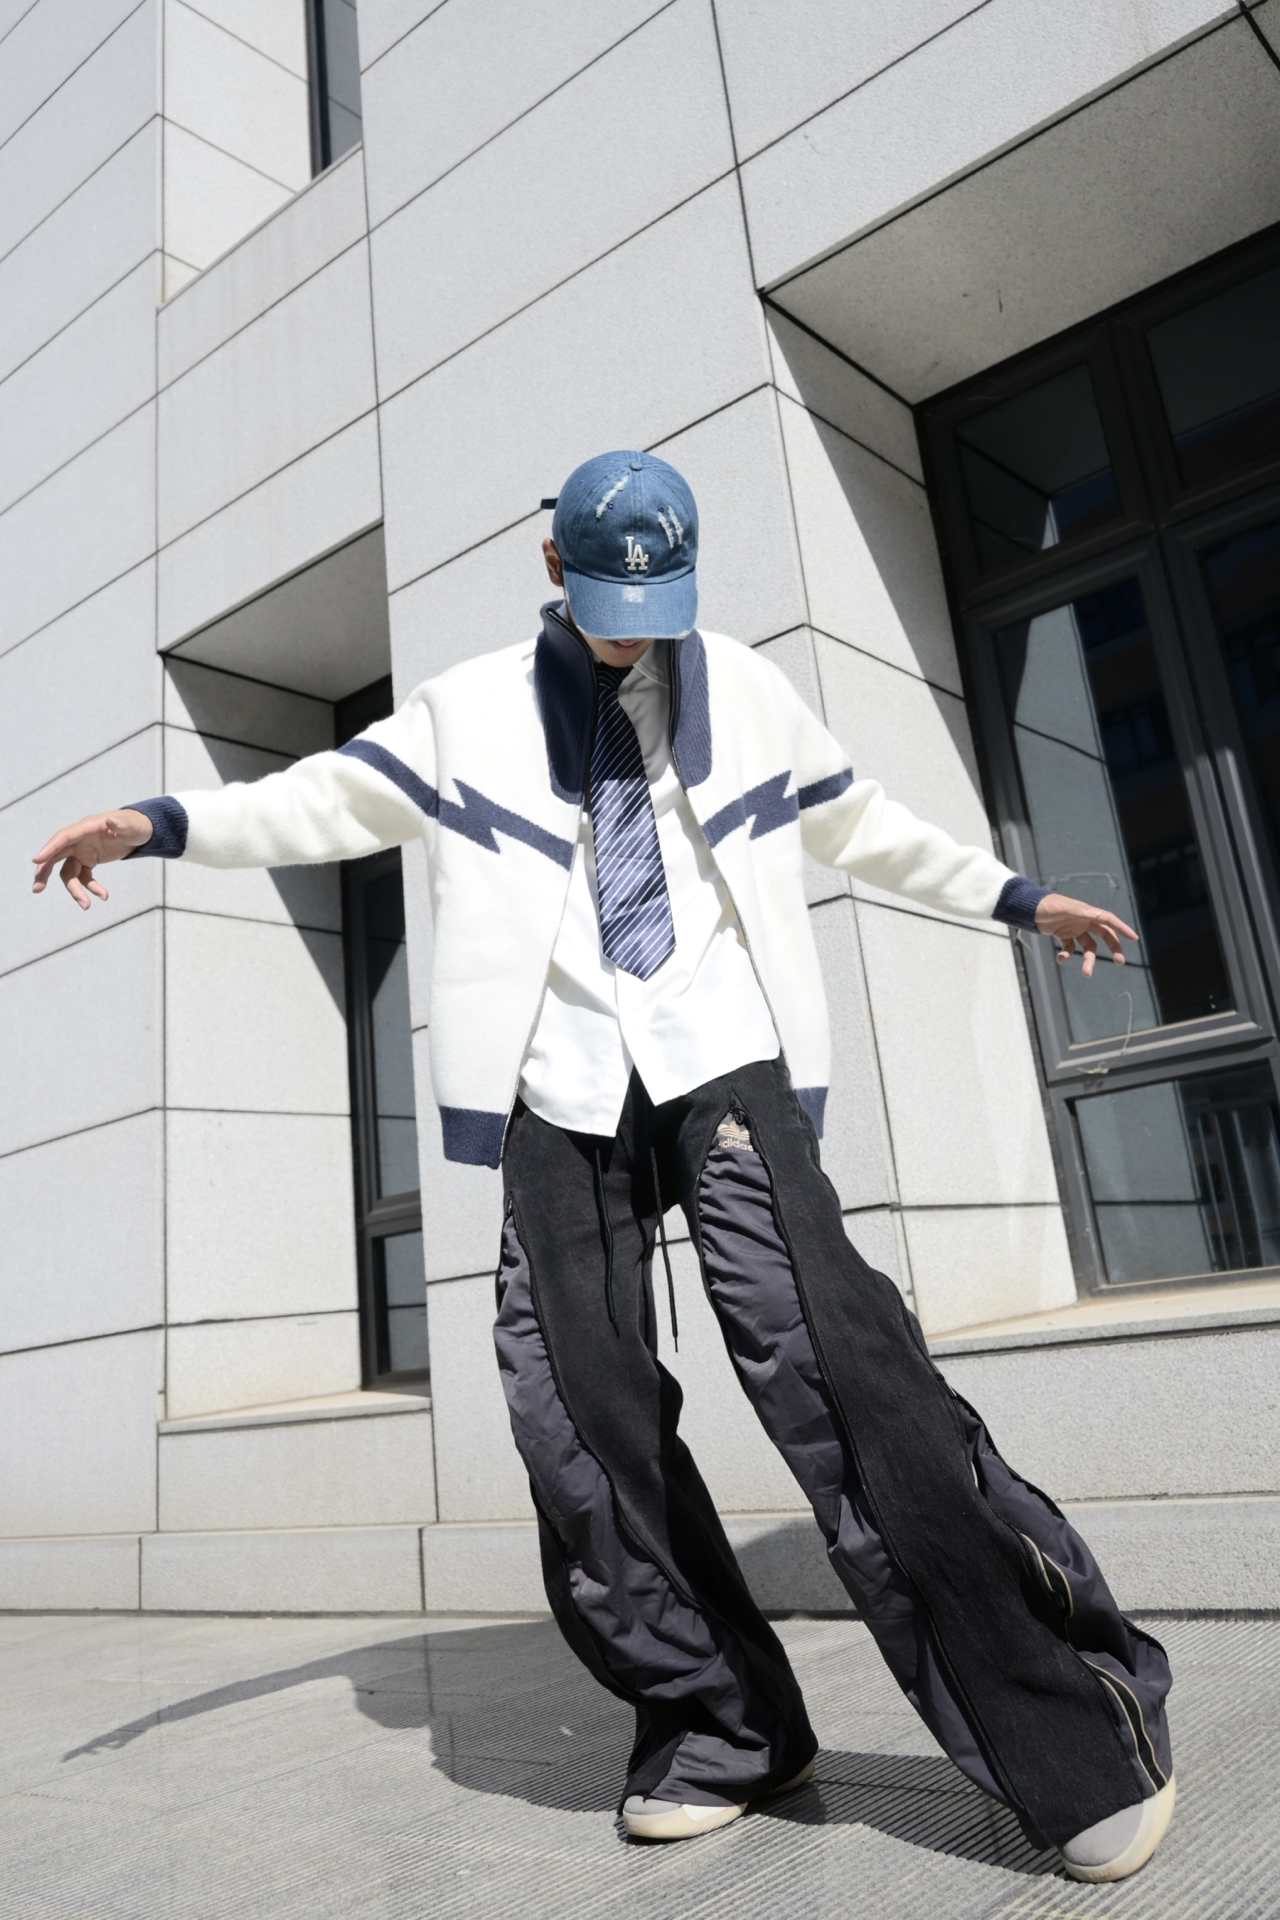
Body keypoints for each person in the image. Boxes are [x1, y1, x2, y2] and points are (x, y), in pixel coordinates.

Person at [33, 451, 1174, 1881]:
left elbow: (863, 824)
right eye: (614, 607)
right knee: (575, 1414)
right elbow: (318, 802)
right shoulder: (465, 713)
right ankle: (723, 1726)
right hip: (560, 1087)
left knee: (833, 1365)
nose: (641, 637)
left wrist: (1020, 896)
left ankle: (1075, 1731)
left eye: (661, 607)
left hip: (723, 1062)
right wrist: (157, 825)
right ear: (554, 569)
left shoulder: (743, 687)